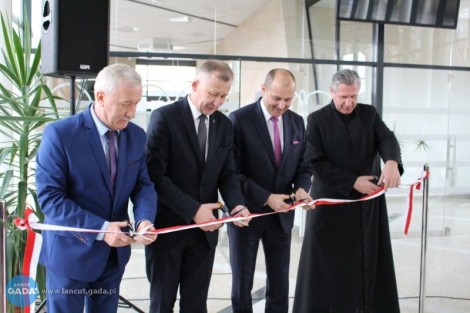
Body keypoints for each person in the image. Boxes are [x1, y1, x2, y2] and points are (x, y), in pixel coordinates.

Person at [36, 63, 158, 313]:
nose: (132, 112)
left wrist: (145, 220)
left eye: (136, 102)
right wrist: (101, 229)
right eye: (126, 103)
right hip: (70, 254)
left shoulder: (136, 136)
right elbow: (50, 198)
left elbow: (143, 185)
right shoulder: (60, 134)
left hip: (113, 257)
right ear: (100, 97)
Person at [293, 69, 403, 313]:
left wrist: (392, 162)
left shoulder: (369, 113)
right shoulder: (316, 120)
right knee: (328, 267)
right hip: (331, 207)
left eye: (353, 96)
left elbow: (386, 138)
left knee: (368, 261)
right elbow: (316, 163)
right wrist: (353, 182)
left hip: (367, 206)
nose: (349, 102)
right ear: (332, 91)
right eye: (343, 96)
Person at [145, 60, 251, 313]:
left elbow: (228, 174)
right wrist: (194, 210)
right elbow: (155, 176)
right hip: (169, 226)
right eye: (213, 94)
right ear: (195, 85)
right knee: (162, 303)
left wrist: (237, 205)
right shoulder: (165, 117)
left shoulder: (224, 125)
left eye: (223, 96)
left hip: (205, 233)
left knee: (196, 304)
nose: (217, 102)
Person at [227, 68, 313, 313]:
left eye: (288, 99)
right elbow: (232, 173)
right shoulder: (239, 120)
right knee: (242, 282)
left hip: (282, 216)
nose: (282, 105)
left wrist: (302, 190)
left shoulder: (297, 122)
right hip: (247, 214)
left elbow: (304, 166)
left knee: (280, 280)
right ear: (263, 90)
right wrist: (266, 198)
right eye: (276, 98)